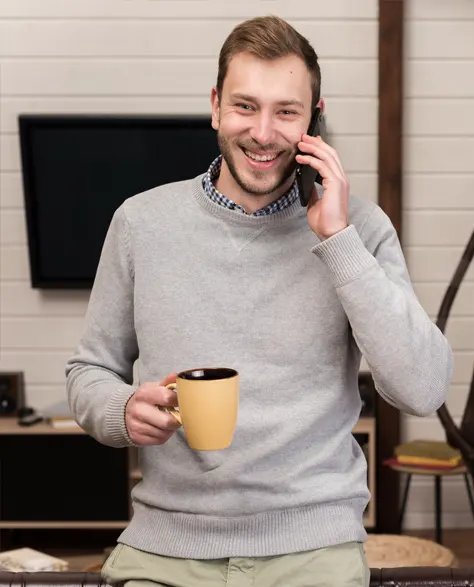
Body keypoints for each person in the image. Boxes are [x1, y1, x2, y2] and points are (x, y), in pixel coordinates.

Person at [66, 15, 453, 587]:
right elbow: (88, 371)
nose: (264, 132)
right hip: (167, 545)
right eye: (246, 106)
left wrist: (338, 242)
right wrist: (120, 411)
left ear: (315, 119)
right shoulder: (140, 222)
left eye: (286, 111)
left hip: (314, 544)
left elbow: (422, 388)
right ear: (216, 105)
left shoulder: (360, 229)